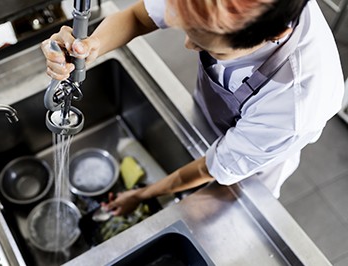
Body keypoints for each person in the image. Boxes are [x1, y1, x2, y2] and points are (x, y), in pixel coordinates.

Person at [41, 0, 344, 216]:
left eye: (207, 46)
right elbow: (139, 16)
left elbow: (211, 166)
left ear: (274, 35)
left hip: (250, 165)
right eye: (184, 27)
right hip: (213, 118)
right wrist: (91, 47)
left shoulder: (295, 102)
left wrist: (142, 194)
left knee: (223, 213)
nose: (187, 45)